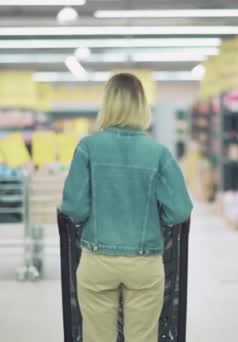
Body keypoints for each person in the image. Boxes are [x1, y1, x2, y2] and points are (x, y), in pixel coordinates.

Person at [61, 73, 193, 342]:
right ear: (142, 106)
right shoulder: (158, 153)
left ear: (106, 104)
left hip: (97, 259)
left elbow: (74, 208)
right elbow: (179, 210)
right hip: (144, 261)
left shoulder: (87, 148)